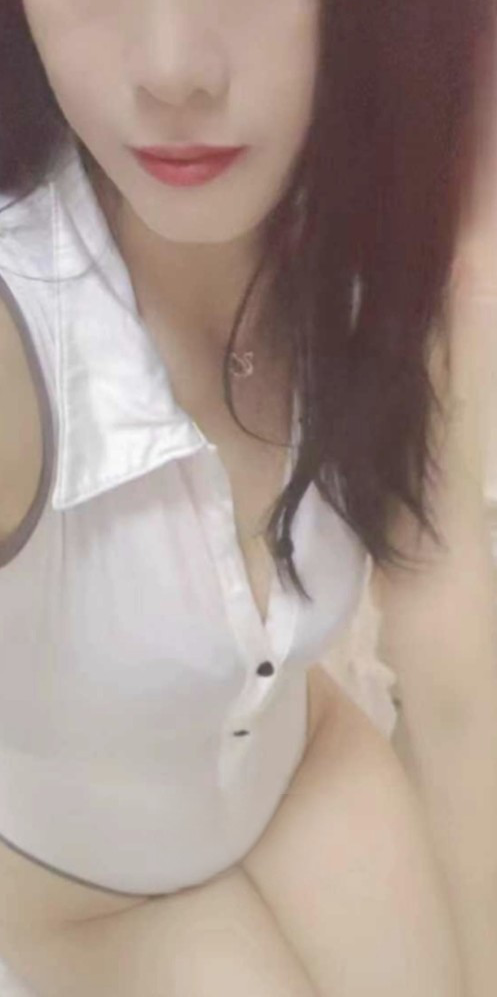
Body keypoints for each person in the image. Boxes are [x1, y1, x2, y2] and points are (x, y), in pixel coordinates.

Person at [0, 0, 495, 995]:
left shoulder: (378, 238)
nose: (172, 69)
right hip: (83, 890)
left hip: (299, 763)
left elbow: (452, 682)